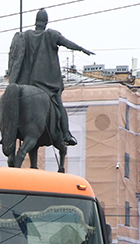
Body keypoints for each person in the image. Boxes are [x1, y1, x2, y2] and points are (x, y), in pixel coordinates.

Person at [6, 9, 94, 146]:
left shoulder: (25, 35)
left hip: (26, 83)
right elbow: (66, 42)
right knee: (59, 105)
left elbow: (15, 57)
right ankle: (66, 134)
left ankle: (3, 125)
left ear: (36, 22)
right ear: (46, 22)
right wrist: (81, 49)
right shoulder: (51, 34)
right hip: (48, 83)